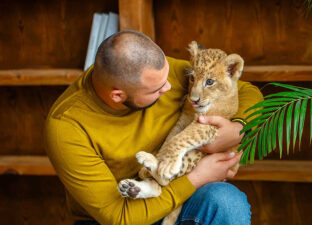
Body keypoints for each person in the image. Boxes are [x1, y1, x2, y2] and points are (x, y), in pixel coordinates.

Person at [45, 30, 263, 225]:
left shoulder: (157, 72)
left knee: (226, 201)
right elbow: (119, 217)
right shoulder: (65, 126)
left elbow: (246, 91)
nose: (169, 87)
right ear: (118, 96)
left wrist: (237, 128)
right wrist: (197, 178)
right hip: (120, 214)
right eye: (158, 89)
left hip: (173, 191)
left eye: (168, 77)